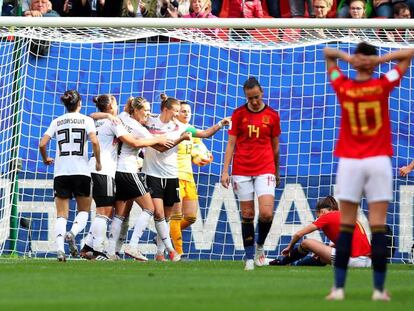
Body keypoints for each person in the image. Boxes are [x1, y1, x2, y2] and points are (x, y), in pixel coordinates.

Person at [324, 42, 414, 301]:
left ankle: (339, 289)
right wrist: (379, 59)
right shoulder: (383, 84)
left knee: (349, 226)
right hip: (375, 162)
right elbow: (408, 54)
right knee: (374, 226)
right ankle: (378, 290)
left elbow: (329, 55)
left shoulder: (343, 85)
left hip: (354, 161)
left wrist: (348, 58)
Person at [80, 94, 172, 260]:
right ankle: (127, 247)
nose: (149, 114)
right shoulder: (117, 122)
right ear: (135, 110)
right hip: (120, 170)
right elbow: (137, 143)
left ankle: (108, 251)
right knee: (145, 209)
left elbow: (90, 115)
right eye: (146, 111)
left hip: (104, 170)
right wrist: (163, 137)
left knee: (119, 215)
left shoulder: (114, 118)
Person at [221, 77, 281, 271]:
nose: (254, 101)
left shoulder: (272, 115)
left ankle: (260, 247)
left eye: (256, 97)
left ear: (261, 93)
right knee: (247, 213)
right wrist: (225, 170)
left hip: (265, 168)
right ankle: (248, 257)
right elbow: (231, 143)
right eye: (249, 98)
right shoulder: (238, 114)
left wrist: (276, 170)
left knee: (265, 213)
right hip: (242, 169)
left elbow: (276, 147)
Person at [38, 90, 101, 261]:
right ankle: (72, 233)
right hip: (81, 171)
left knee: (61, 214)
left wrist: (45, 159)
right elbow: (94, 141)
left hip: (61, 173)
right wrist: (98, 161)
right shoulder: (87, 120)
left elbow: (42, 143)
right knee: (84, 211)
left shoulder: (57, 121)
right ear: (79, 103)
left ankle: (59, 250)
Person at [169, 101, 230, 255]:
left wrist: (204, 158)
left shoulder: (191, 131)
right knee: (176, 216)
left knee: (191, 217)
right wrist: (220, 124)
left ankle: (166, 233)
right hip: (174, 176)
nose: (186, 113)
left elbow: (199, 152)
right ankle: (178, 253)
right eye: (183, 111)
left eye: (188, 111)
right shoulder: (170, 128)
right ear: (176, 112)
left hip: (189, 177)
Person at [141, 94, 193, 261]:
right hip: (151, 173)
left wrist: (221, 124)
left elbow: (205, 133)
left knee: (169, 217)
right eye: (177, 110)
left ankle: (159, 253)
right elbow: (162, 148)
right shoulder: (150, 120)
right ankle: (171, 250)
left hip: (172, 175)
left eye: (182, 111)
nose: (179, 114)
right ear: (165, 109)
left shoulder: (179, 126)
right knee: (158, 213)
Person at [269, 196, 371, 268]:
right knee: (322, 256)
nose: (317, 218)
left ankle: (283, 262)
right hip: (367, 261)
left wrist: (289, 247)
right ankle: (296, 266)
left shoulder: (327, 216)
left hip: (353, 259)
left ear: (322, 211)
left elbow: (298, 234)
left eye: (317, 215)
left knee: (306, 243)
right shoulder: (345, 216)